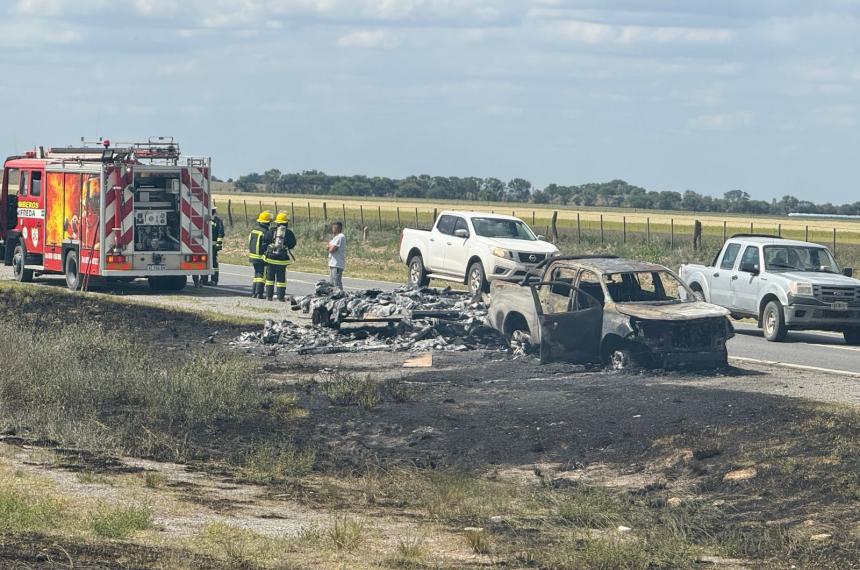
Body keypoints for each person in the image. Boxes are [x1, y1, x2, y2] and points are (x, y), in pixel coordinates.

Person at [263, 212, 297, 301]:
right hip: (282, 260)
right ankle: (280, 297)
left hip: (271, 259)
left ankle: (269, 296)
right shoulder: (289, 233)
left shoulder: (271, 231)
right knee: (281, 280)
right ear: (286, 223)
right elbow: (293, 244)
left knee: (269, 279)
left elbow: (265, 240)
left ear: (277, 222)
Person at [248, 211, 273, 298]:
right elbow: (266, 245)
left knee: (257, 275)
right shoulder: (265, 232)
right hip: (261, 257)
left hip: (252, 256)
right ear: (268, 222)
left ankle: (254, 293)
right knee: (262, 276)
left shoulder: (253, 231)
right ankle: (259, 293)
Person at [327, 221, 346, 291]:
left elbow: (332, 249)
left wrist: (330, 246)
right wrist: (330, 246)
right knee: (332, 284)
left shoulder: (340, 237)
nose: (332, 229)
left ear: (336, 228)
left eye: (333, 227)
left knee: (337, 283)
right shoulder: (335, 237)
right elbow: (328, 247)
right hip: (332, 263)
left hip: (337, 264)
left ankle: (341, 298)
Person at [209, 206, 225, 285]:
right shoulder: (206, 219)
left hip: (213, 246)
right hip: (207, 246)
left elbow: (221, 233)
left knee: (213, 263)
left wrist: (218, 244)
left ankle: (214, 280)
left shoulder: (217, 221)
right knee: (207, 262)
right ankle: (205, 280)